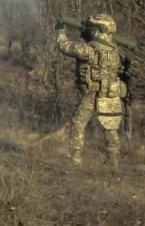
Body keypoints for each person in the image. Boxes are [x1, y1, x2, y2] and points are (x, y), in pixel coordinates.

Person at [55, 14, 128, 169]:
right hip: (110, 92)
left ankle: (76, 161)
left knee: (78, 123)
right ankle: (113, 163)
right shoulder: (116, 50)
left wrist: (60, 30)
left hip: (92, 93)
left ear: (97, 29)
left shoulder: (89, 49)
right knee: (110, 127)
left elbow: (64, 46)